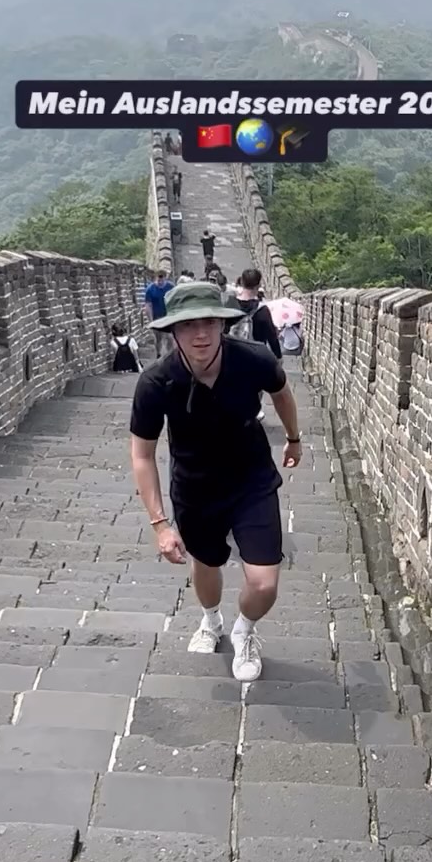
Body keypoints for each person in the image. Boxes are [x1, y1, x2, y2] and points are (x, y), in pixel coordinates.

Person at [130, 281, 303, 682]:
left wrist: (294, 438)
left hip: (252, 481)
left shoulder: (253, 359)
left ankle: (244, 630)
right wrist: (160, 525)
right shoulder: (157, 382)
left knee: (264, 583)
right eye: (189, 325)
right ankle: (211, 620)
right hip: (195, 489)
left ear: (222, 324)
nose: (201, 334)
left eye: (209, 322)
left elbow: (281, 392)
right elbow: (142, 455)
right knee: (206, 565)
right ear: (173, 331)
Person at [225, 269, 282, 359]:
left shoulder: (230, 304)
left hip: (232, 357)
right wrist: (278, 357)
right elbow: (272, 337)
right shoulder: (262, 310)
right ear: (258, 286)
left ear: (241, 282)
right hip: (255, 358)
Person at [144, 269, 175, 356]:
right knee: (159, 339)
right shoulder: (150, 289)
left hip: (168, 316)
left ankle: (170, 355)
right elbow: (148, 305)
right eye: (159, 279)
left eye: (162, 278)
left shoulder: (171, 287)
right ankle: (158, 355)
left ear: (165, 278)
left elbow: (175, 301)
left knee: (170, 337)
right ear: (156, 278)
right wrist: (151, 320)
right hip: (157, 317)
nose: (160, 281)